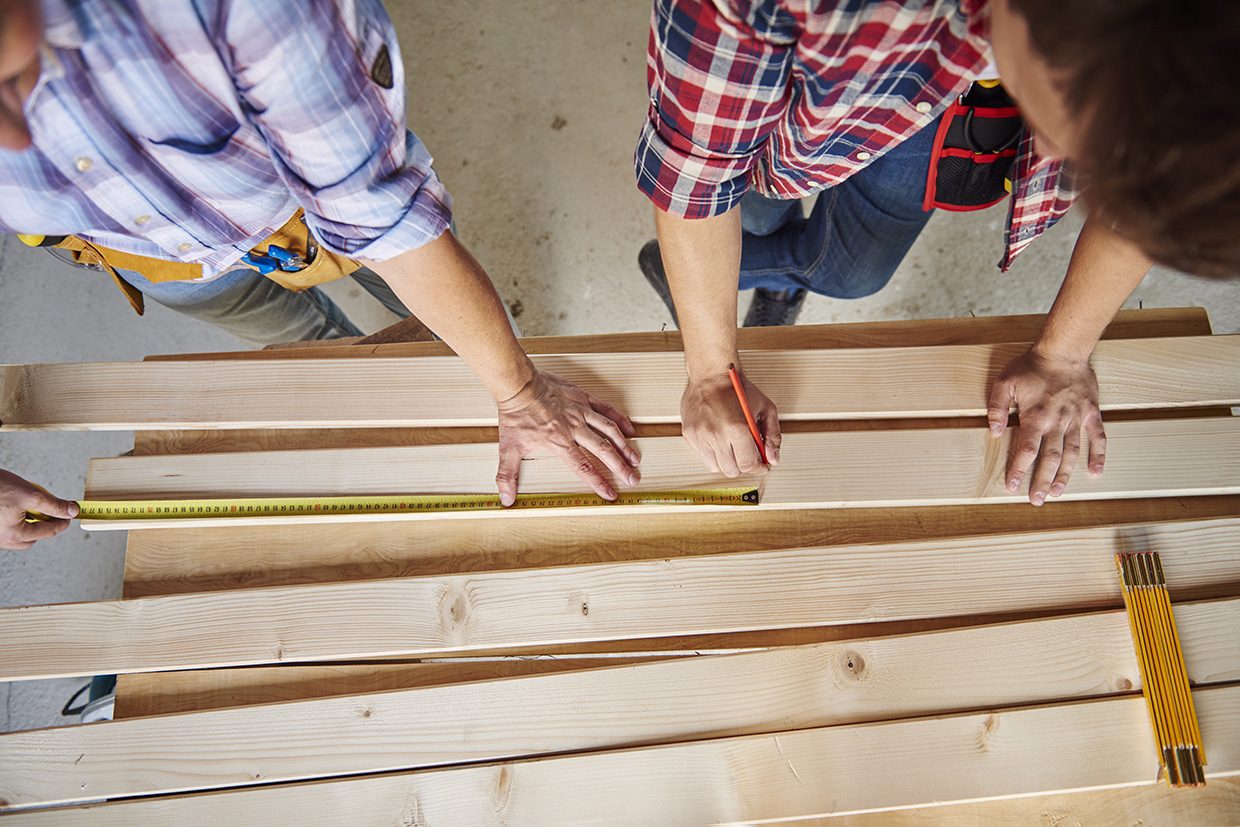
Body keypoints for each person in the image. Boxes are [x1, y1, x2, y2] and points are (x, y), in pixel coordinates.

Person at [0, 0, 640, 549]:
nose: (15, 139)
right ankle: (369, 370)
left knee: (430, 307)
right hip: (154, 259)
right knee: (316, 353)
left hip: (302, 219)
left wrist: (519, 392)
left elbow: (384, 222)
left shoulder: (242, 14)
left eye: (13, 81)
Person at [634, 0, 1239, 504]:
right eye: (1071, 144)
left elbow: (1147, 201)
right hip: (775, 139)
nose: (1050, 161)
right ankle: (714, 266)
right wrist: (712, 372)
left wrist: (1063, 358)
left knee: (853, 276)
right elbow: (701, 174)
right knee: (755, 209)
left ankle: (744, 275)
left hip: (930, 121)